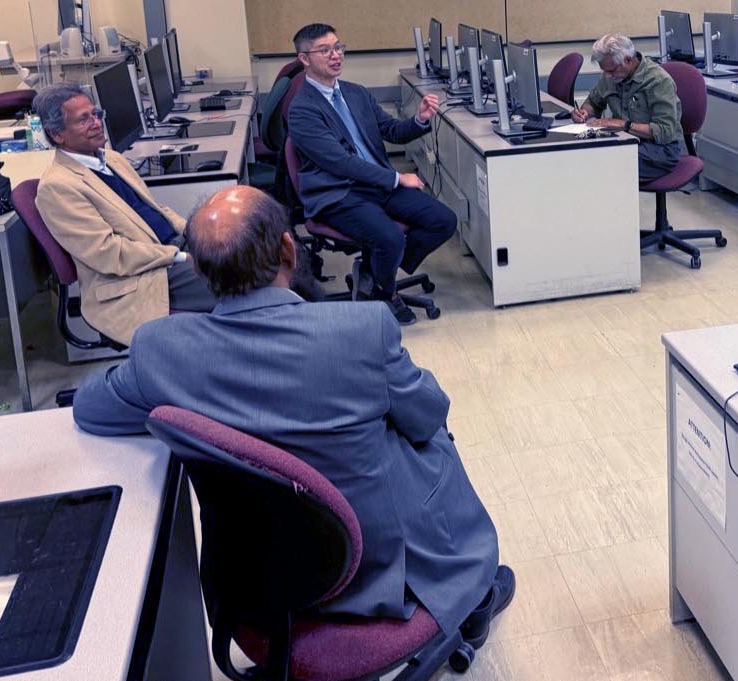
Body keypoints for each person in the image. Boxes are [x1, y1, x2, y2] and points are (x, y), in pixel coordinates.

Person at [71, 185, 514, 642]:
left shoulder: (160, 350)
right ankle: (470, 590)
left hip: (254, 576)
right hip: (372, 568)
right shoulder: (361, 330)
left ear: (200, 271)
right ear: (289, 248)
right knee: (434, 438)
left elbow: (89, 409)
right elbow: (426, 416)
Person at [288, 22, 456, 326]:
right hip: (338, 192)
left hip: (375, 185)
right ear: (304, 59)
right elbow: (340, 163)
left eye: (338, 47)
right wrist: (396, 178)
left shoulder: (356, 93)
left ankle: (380, 268)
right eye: (325, 50)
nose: (336, 55)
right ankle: (384, 292)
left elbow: (391, 130)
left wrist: (418, 120)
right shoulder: (302, 110)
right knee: (389, 237)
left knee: (443, 221)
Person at [33, 82, 218, 345]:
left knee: (253, 251)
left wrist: (196, 230)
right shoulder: (57, 187)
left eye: (96, 114)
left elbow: (157, 210)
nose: (96, 123)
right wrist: (180, 256)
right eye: (83, 120)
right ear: (57, 135)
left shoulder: (111, 158)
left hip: (170, 250)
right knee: (242, 281)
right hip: (141, 276)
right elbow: (109, 253)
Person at [571, 34, 684, 183]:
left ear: (628, 60)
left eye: (611, 71)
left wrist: (623, 124)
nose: (608, 76)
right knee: (584, 156)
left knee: (603, 167)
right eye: (604, 71)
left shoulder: (658, 81)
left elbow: (665, 131)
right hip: (626, 140)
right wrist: (584, 112)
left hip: (661, 149)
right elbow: (593, 102)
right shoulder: (611, 75)